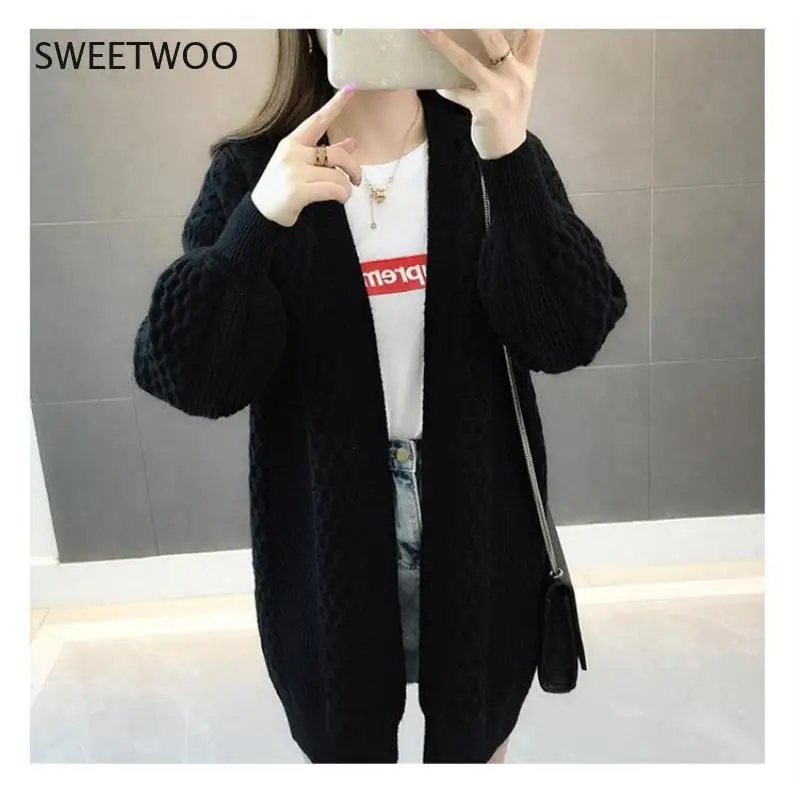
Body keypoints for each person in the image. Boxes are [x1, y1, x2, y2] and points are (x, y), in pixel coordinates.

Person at [132, 28, 627, 764]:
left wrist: (511, 156)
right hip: (325, 527)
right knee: (346, 745)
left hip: (481, 514)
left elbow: (569, 335)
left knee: (477, 739)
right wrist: (256, 225)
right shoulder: (255, 172)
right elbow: (188, 375)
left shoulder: (488, 148)